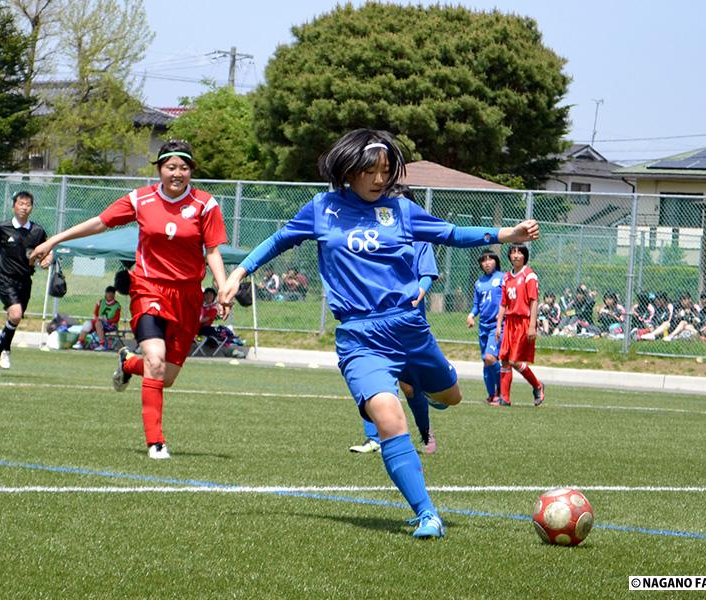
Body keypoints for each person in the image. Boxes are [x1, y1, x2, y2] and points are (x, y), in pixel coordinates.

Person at [218, 128, 539, 538]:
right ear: (349, 170)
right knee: (389, 418)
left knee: (451, 397)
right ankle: (427, 514)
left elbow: (450, 233)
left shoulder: (400, 210)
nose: (378, 179)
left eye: (386, 171)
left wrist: (503, 235)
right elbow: (279, 241)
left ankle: (419, 384)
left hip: (408, 330)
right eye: (370, 170)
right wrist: (239, 272)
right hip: (359, 337)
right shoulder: (322, 209)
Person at [30, 140, 228, 460]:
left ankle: (126, 363)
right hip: (148, 289)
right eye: (170, 167)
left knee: (166, 377)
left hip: (188, 298)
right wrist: (55, 239)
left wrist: (222, 290)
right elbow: (99, 222)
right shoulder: (141, 199)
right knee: (155, 359)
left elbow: (213, 251)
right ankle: (156, 442)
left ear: (192, 171)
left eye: (184, 167)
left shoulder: (206, 205)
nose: (177, 173)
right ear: (160, 169)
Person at [349, 184, 440, 455]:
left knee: (411, 386)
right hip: (373, 322)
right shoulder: (372, 235)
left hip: (408, 321)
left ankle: (425, 432)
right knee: (372, 377)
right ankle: (374, 438)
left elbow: (427, 273)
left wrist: (418, 294)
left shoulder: (419, 236)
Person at [0, 191, 51, 376]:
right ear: (13, 205)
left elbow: (48, 250)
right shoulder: (2, 227)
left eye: (28, 204)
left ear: (32, 207)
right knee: (15, 315)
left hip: (25, 281)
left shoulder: (37, 231)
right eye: (20, 203)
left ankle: (2, 352)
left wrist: (48, 260)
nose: (24, 207)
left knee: (15, 319)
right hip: (5, 279)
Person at [495, 244, 545, 407]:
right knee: (505, 360)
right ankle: (505, 398)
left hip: (523, 321)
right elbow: (503, 303)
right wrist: (498, 325)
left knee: (515, 360)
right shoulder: (506, 277)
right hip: (509, 322)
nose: (516, 255)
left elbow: (534, 301)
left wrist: (532, 326)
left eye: (519, 252)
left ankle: (537, 385)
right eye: (513, 252)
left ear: (525, 255)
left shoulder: (529, 275)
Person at [466, 249, 505, 405]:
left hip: (497, 326)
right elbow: (477, 304)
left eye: (490, 259)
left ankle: (502, 392)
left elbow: (509, 299)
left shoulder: (503, 278)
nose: (487, 262)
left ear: (496, 261)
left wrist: (504, 313)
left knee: (490, 358)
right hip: (483, 326)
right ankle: (491, 395)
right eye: (484, 260)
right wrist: (471, 315)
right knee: (486, 361)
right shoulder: (479, 282)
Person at [73, 286, 122, 350]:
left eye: (111, 294)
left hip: (111, 324)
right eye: (108, 293)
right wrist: (98, 318)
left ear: (114, 295)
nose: (109, 295)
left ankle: (102, 345)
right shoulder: (101, 302)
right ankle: (80, 342)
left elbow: (116, 319)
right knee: (87, 323)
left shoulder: (116, 305)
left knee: (98, 323)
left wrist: (107, 320)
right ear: (105, 294)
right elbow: (95, 314)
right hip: (99, 322)